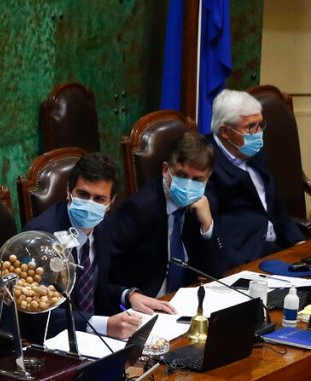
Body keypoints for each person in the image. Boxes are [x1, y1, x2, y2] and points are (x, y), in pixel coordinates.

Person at [20, 153, 175, 341]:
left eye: (99, 199)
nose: (89, 204)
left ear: (111, 202)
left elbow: (94, 286)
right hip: (50, 340)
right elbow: (36, 313)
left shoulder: (104, 226)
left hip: (94, 339)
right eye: (83, 195)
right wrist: (102, 325)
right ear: (69, 191)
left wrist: (129, 296)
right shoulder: (41, 238)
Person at [110, 132, 221, 297]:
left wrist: (207, 226)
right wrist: (130, 295)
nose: (188, 185)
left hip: (186, 296)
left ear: (208, 178)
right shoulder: (140, 208)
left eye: (197, 180)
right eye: (182, 175)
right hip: (147, 300)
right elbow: (111, 266)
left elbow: (215, 272)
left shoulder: (205, 203)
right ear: (165, 170)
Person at [207, 89, 304, 268]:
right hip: (242, 259)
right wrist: (237, 267)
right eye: (251, 127)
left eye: (260, 124)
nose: (259, 132)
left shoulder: (253, 151)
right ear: (226, 132)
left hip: (278, 250)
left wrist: (299, 243)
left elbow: (276, 205)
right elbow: (210, 227)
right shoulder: (205, 162)